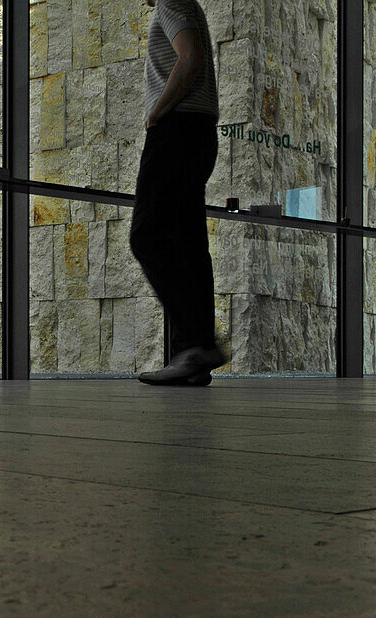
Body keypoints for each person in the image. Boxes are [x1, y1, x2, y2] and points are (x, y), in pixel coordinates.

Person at [130, 0, 224, 386]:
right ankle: (196, 354)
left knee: (147, 236)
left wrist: (157, 113)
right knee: (187, 242)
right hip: (198, 131)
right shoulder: (187, 3)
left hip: (178, 129)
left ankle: (196, 345)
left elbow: (191, 57)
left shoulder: (173, 1)